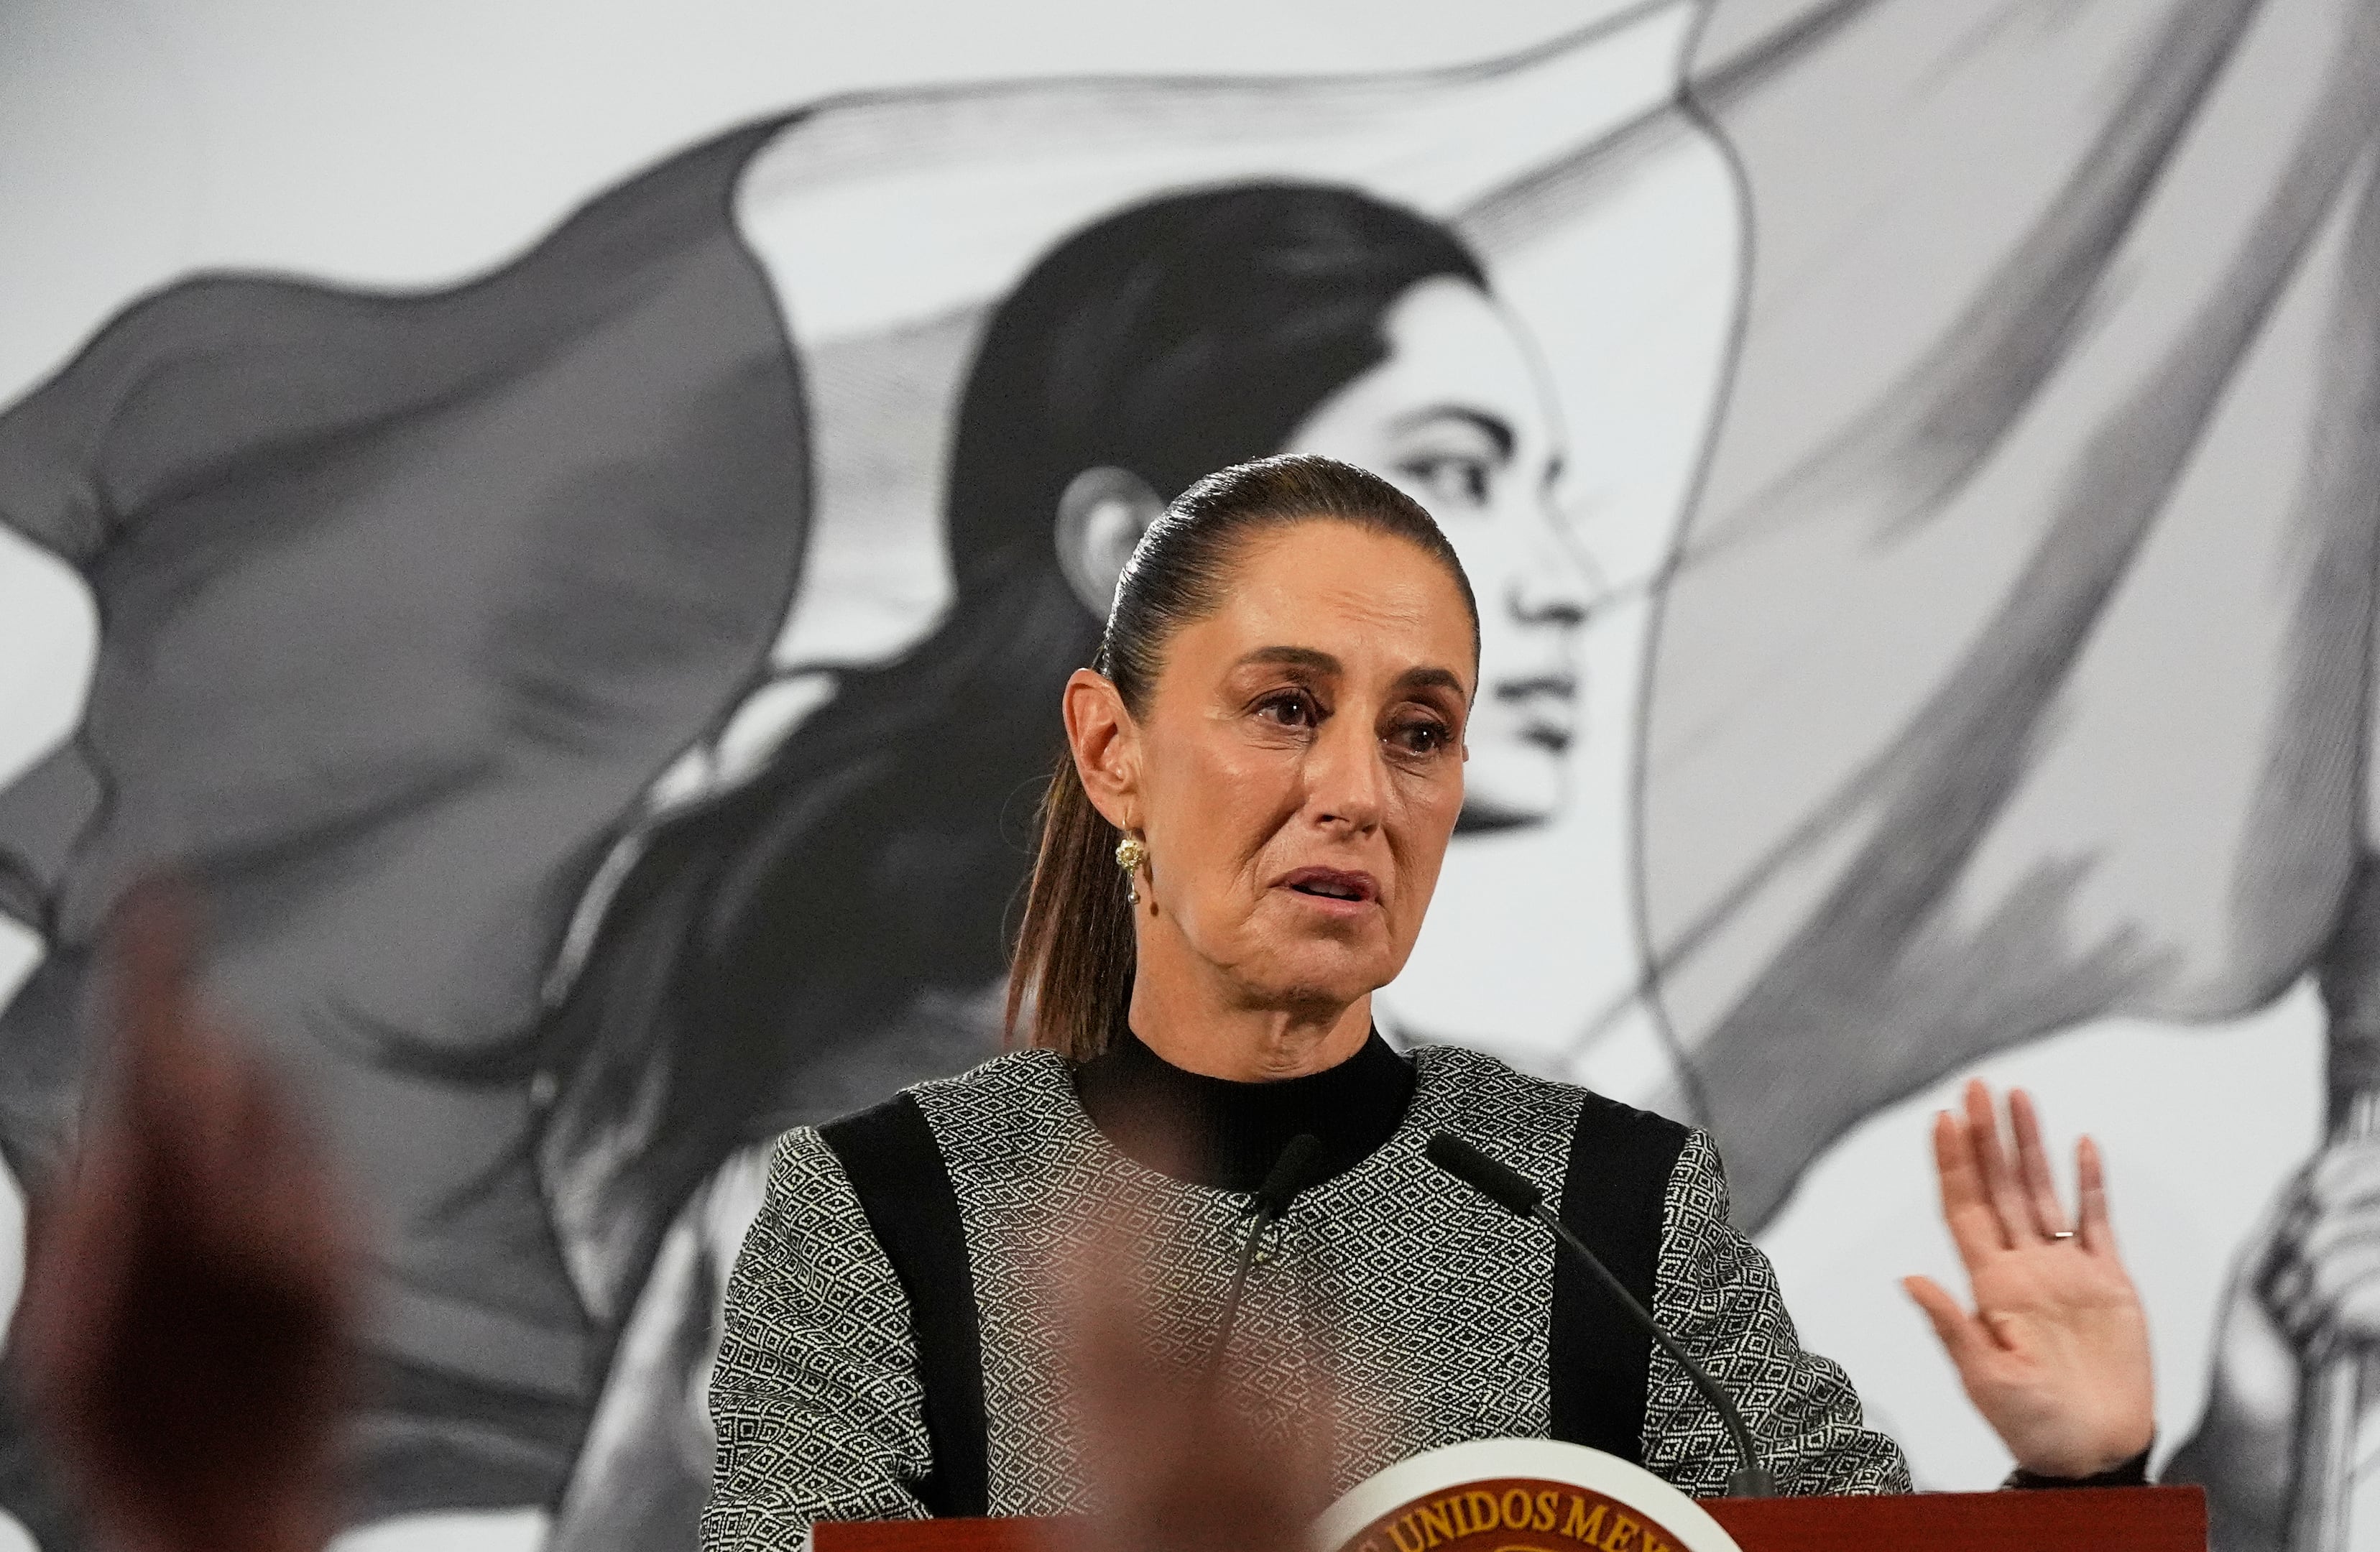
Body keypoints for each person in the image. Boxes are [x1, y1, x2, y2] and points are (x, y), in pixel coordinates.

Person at [698, 454, 2158, 1546]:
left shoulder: (1607, 1207)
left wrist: (2081, 1480)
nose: (1355, 794)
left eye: (1418, 732)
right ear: (1112, 749)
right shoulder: (880, 1214)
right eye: (1285, 709)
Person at [546, 180, 1596, 1544]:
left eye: (1544, 491)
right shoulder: (866, 1203)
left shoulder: (1545, 1181)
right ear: (1133, 565)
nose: (1561, 576)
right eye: (1453, 475)